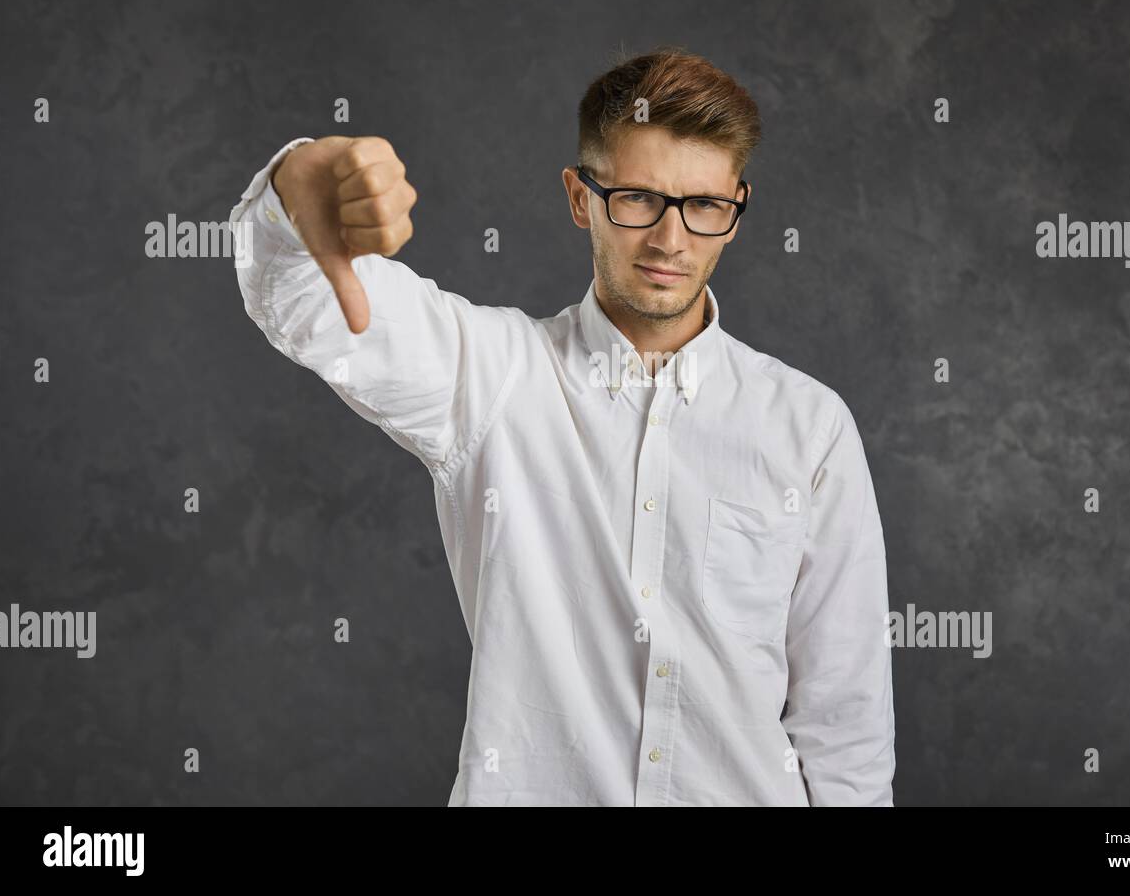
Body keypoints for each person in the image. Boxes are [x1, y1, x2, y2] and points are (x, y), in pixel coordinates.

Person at [228, 46, 894, 806]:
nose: (671, 240)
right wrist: (294, 184)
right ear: (581, 198)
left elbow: (846, 730)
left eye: (704, 206)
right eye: (638, 198)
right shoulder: (492, 377)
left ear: (736, 211)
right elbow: (311, 304)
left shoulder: (809, 428)